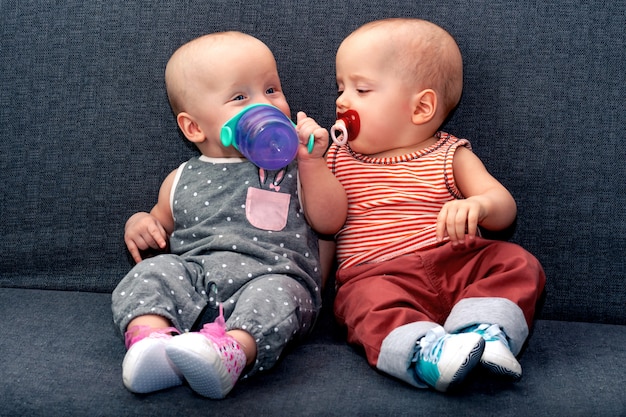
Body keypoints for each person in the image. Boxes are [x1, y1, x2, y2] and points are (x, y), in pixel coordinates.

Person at [111, 31, 346, 399]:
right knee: (150, 272)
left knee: (278, 295)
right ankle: (152, 342)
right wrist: (139, 223)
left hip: (273, 280)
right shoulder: (180, 179)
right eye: (240, 97)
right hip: (197, 284)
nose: (264, 105)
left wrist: (313, 163)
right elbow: (158, 223)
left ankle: (232, 353)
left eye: (271, 90)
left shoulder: (294, 170)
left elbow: (331, 222)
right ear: (194, 127)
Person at [324, 18, 546, 392]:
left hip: (455, 261)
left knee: (518, 262)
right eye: (341, 87)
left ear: (422, 107)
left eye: (361, 89)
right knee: (362, 303)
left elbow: (504, 207)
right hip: (377, 275)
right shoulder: (336, 159)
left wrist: (479, 205)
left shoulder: (449, 154)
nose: (341, 100)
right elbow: (323, 225)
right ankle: (427, 352)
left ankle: (486, 334)